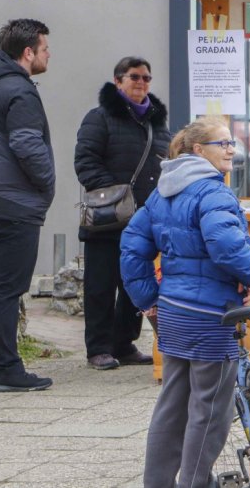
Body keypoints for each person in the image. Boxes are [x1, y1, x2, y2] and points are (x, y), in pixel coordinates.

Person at [120, 118, 250, 488]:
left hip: (172, 313)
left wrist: (148, 299)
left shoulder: (162, 192)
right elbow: (226, 246)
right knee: (209, 411)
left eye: (232, 142)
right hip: (212, 317)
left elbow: (132, 248)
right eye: (223, 143)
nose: (232, 148)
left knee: (171, 407)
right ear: (199, 151)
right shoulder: (213, 192)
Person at [0, 19, 55, 392]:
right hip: (13, 200)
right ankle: (6, 368)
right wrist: (47, 183)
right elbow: (26, 144)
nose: (49, 54)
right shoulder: (20, 91)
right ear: (28, 52)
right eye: (45, 48)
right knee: (7, 288)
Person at [74, 56, 171, 370]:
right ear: (118, 81)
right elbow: (86, 162)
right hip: (107, 218)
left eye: (146, 77)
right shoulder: (99, 118)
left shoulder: (156, 122)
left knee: (137, 283)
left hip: (144, 219)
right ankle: (98, 348)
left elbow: (166, 163)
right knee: (100, 286)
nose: (141, 83)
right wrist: (119, 197)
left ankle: (124, 343)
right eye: (134, 77)